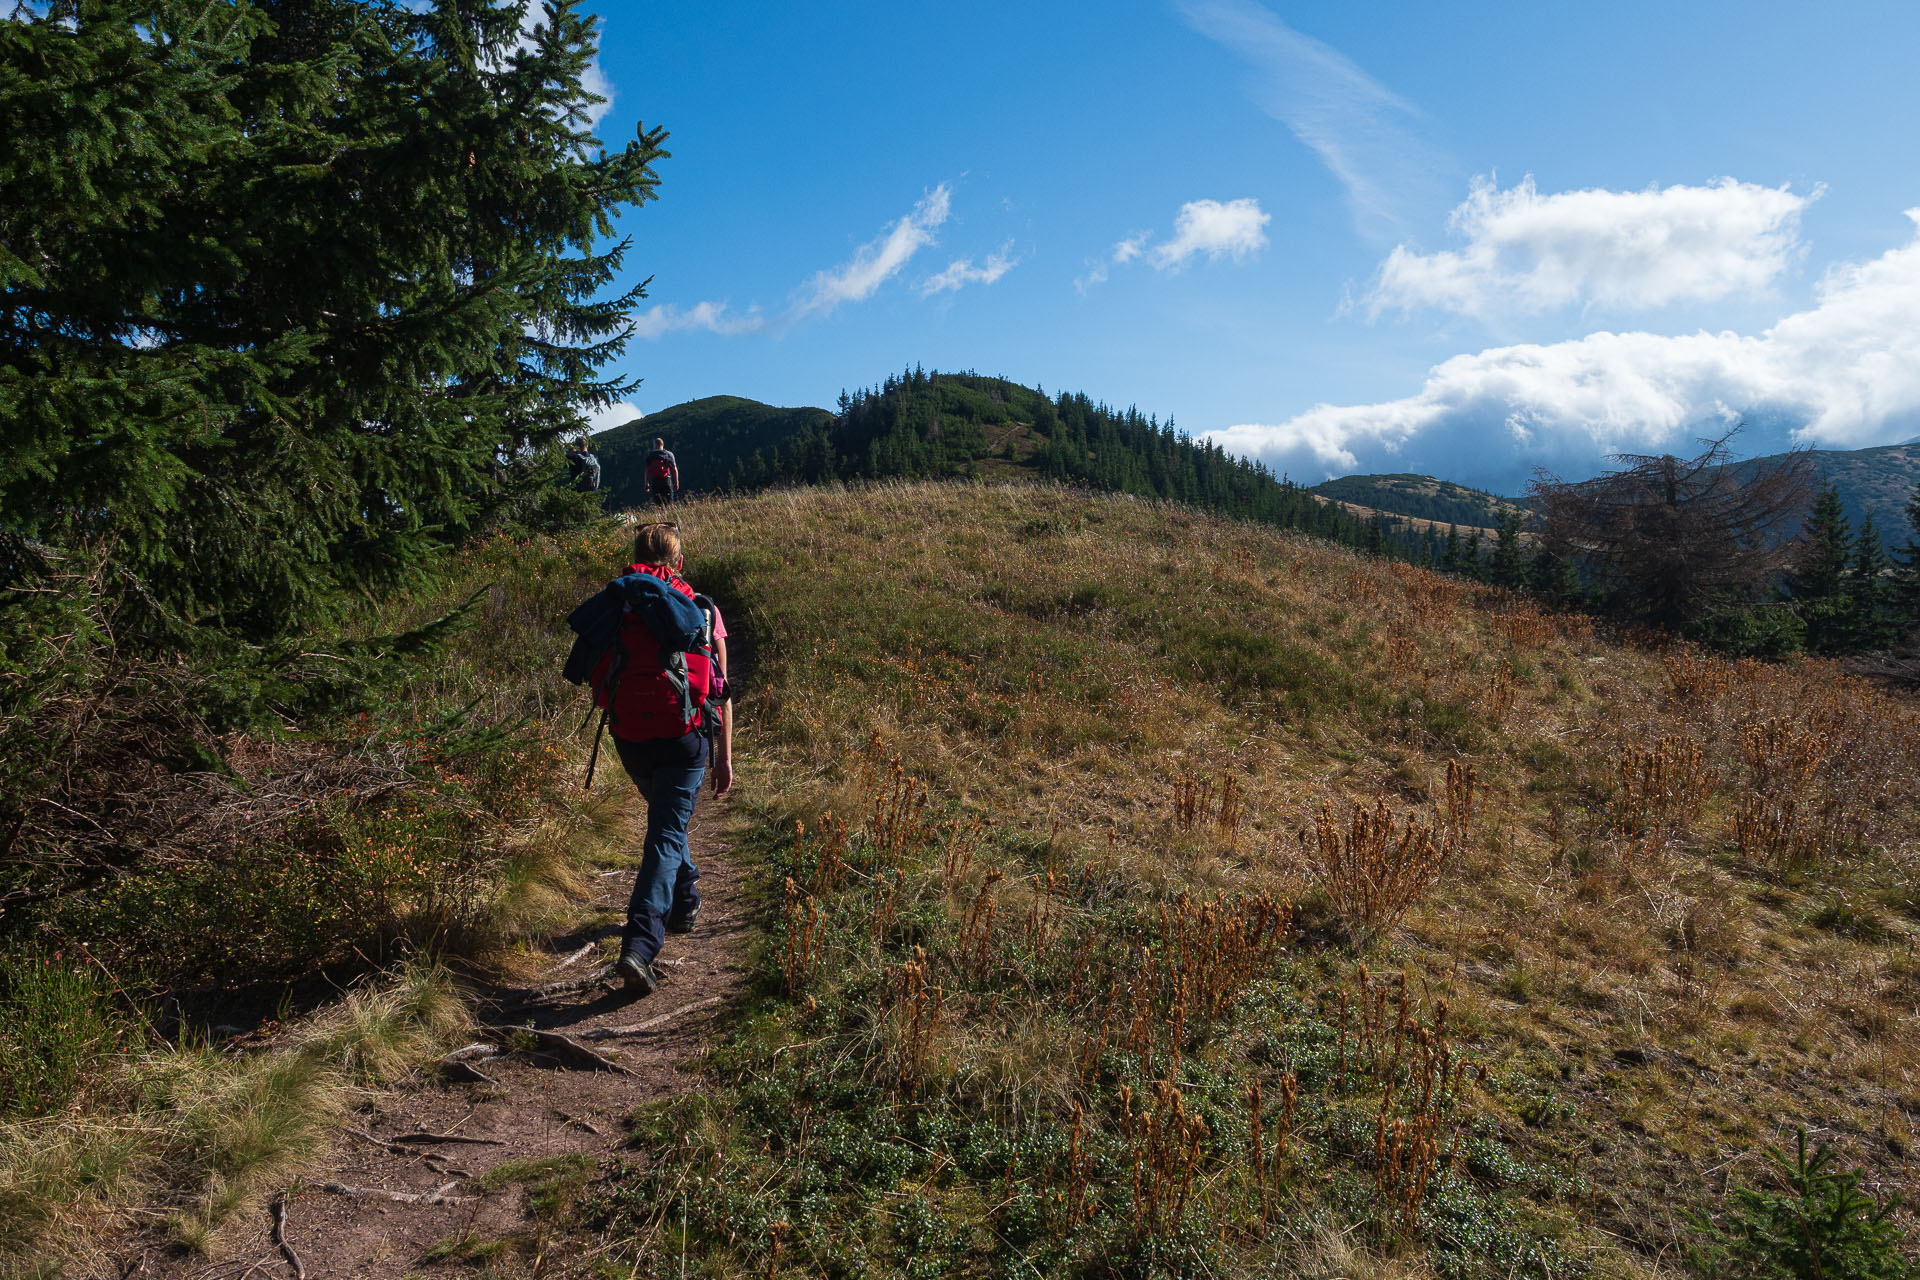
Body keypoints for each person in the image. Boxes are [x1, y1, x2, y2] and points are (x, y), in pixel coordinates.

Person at [599, 521, 734, 994]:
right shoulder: (700, 608)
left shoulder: (620, 601)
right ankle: (640, 944)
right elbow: (719, 692)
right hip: (684, 739)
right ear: (678, 562)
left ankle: (685, 897)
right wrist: (724, 758)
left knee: (666, 823)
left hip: (629, 737)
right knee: (666, 832)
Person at [643, 437, 679, 508]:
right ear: (663, 444)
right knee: (669, 503)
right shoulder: (669, 454)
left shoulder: (650, 456)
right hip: (666, 481)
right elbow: (674, 469)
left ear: (654, 445)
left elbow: (646, 470)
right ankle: (670, 517)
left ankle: (660, 518)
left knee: (658, 504)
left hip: (655, 481)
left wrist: (646, 483)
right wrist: (676, 482)